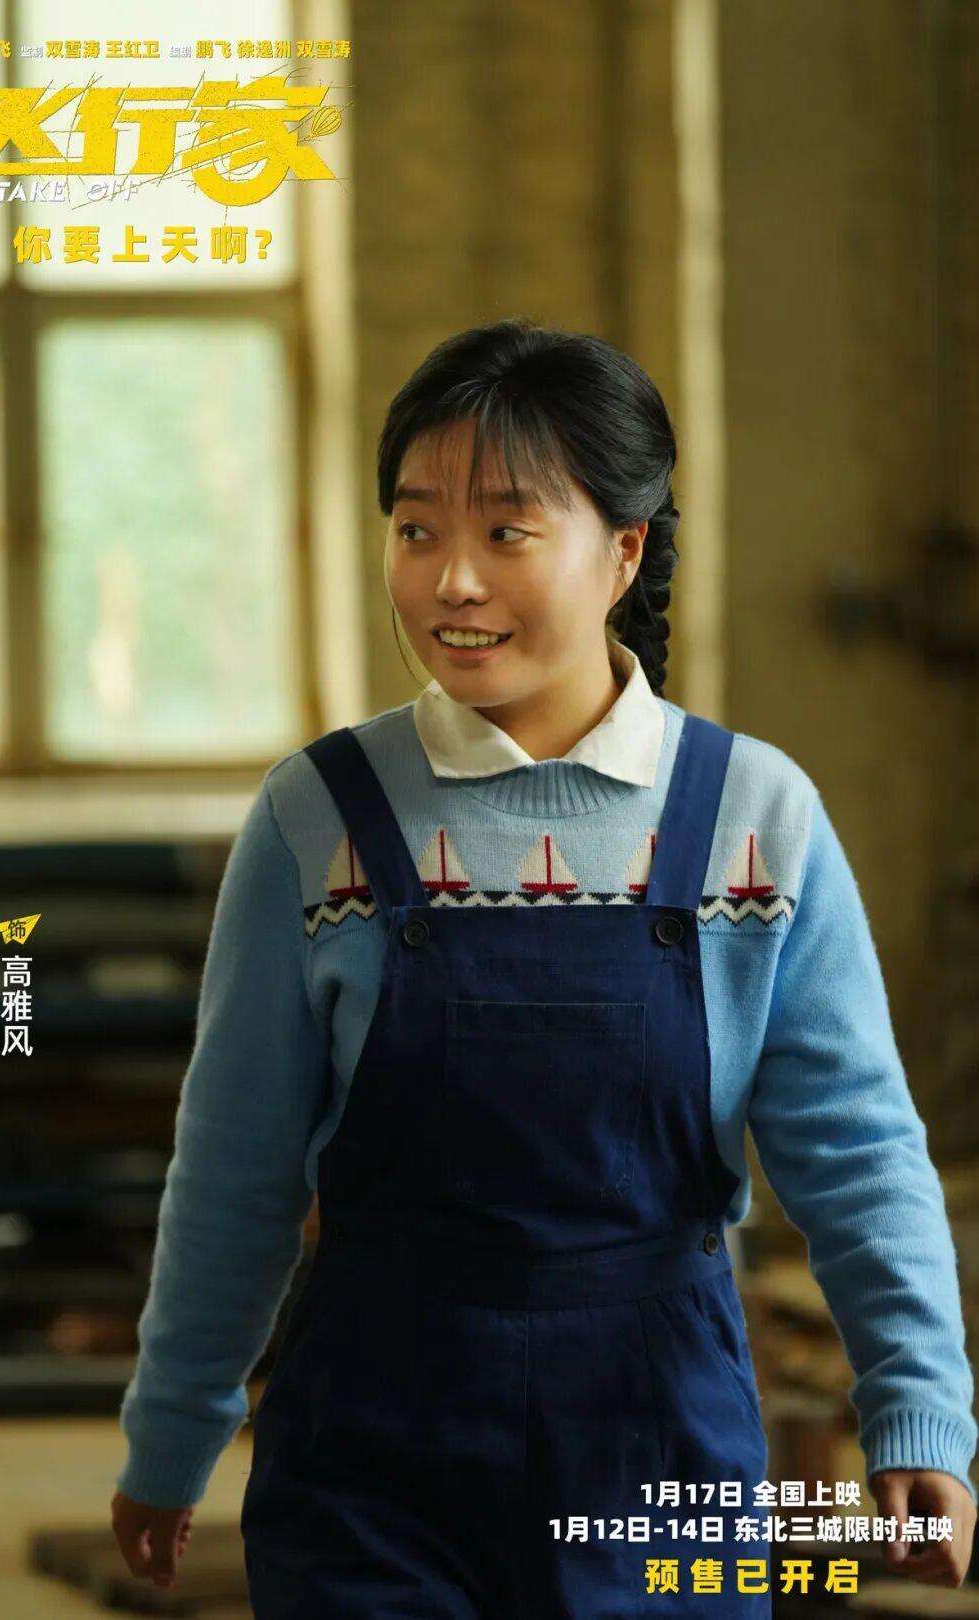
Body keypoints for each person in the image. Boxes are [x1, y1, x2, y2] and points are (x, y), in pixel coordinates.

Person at [111, 319, 977, 1614]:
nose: (451, 580)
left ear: (624, 549)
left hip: (660, 1438)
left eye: (507, 532)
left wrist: (917, 1404)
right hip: (374, 1446)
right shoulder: (320, 814)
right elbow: (235, 1166)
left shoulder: (751, 816)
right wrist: (174, 1427)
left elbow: (857, 1150)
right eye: (416, 530)